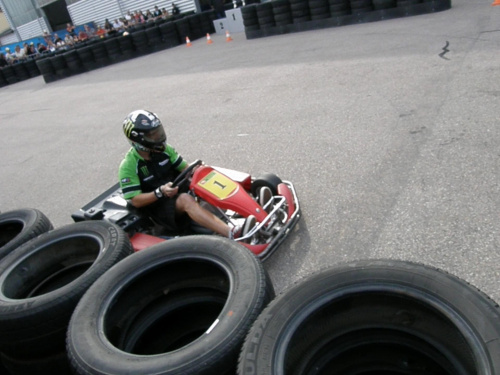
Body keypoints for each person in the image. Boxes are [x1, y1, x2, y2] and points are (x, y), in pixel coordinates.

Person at [118, 110, 252, 238]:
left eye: (158, 132)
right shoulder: (128, 165)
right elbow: (135, 200)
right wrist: (160, 192)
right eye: (152, 135)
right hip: (156, 208)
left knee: (203, 177)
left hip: (174, 190)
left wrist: (198, 171)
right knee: (185, 199)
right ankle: (232, 232)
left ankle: (252, 208)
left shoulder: (165, 150)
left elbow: (185, 169)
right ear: (138, 139)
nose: (158, 137)